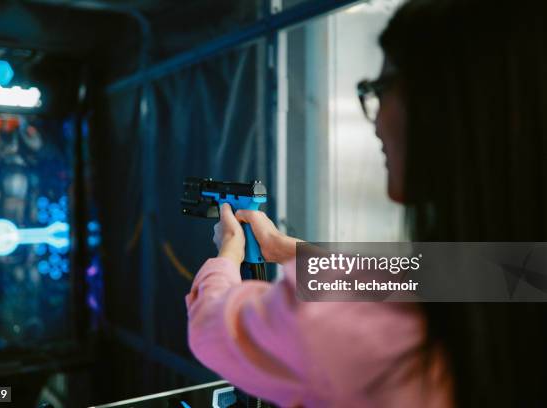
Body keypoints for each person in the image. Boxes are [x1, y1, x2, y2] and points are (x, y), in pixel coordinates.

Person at [186, 0, 547, 407]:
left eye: (382, 88)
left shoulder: (340, 325)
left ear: (442, 105)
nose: (375, 120)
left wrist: (228, 253)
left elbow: (214, 330)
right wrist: (283, 248)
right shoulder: (522, 272)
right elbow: (416, 277)